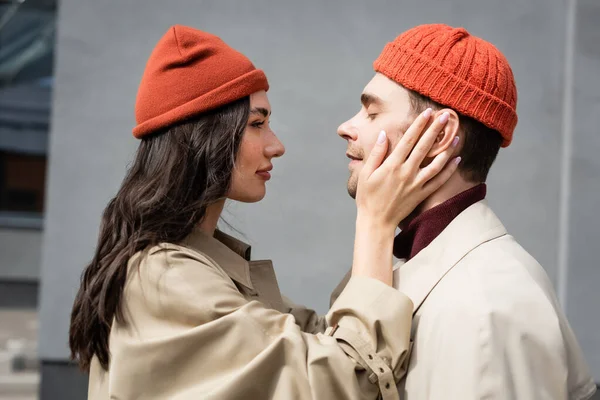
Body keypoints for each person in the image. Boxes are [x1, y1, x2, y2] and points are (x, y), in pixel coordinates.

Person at [68, 25, 459, 400]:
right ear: (205, 137)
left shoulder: (202, 267)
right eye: (257, 124)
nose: (276, 146)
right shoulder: (165, 281)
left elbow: (327, 340)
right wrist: (376, 222)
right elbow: (348, 379)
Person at [334, 23, 597, 399]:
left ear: (440, 136)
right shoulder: (421, 272)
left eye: (372, 113)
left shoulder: (484, 309)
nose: (346, 127)